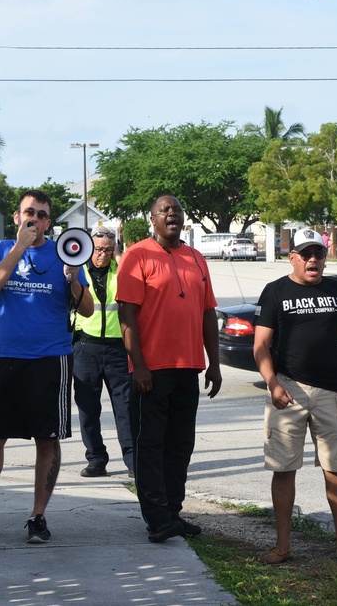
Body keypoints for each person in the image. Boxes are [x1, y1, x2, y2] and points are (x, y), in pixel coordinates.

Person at [0, 190, 94, 544]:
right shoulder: (1, 250)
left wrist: (73, 278)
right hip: (6, 355)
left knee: (47, 437)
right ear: (17, 217)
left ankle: (37, 517)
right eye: (30, 213)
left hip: (50, 358)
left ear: (49, 221)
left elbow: (87, 310)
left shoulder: (65, 252)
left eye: (42, 215)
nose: (36, 220)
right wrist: (19, 248)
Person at [252, 228, 337, 566]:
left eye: (318, 253)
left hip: (332, 392)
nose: (313, 259)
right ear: (293, 258)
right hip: (287, 391)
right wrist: (272, 382)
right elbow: (260, 346)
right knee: (283, 469)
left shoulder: (336, 291)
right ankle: (283, 546)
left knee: (336, 470)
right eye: (306, 254)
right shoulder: (275, 292)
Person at [117, 194, 222, 543]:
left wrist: (214, 364)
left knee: (180, 444)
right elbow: (126, 315)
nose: (171, 214)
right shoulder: (137, 255)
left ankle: (173, 512)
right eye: (164, 210)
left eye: (176, 210)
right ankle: (157, 518)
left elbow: (208, 313)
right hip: (151, 371)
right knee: (150, 445)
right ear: (153, 219)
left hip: (188, 367)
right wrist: (139, 365)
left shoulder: (196, 258)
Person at [72, 224, 134, 478]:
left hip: (118, 349)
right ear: (89, 248)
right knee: (88, 409)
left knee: (126, 408)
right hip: (85, 347)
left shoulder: (123, 271)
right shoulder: (77, 271)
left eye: (108, 250)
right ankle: (96, 459)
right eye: (98, 249)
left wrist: (120, 256)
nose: (102, 255)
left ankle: (133, 461)